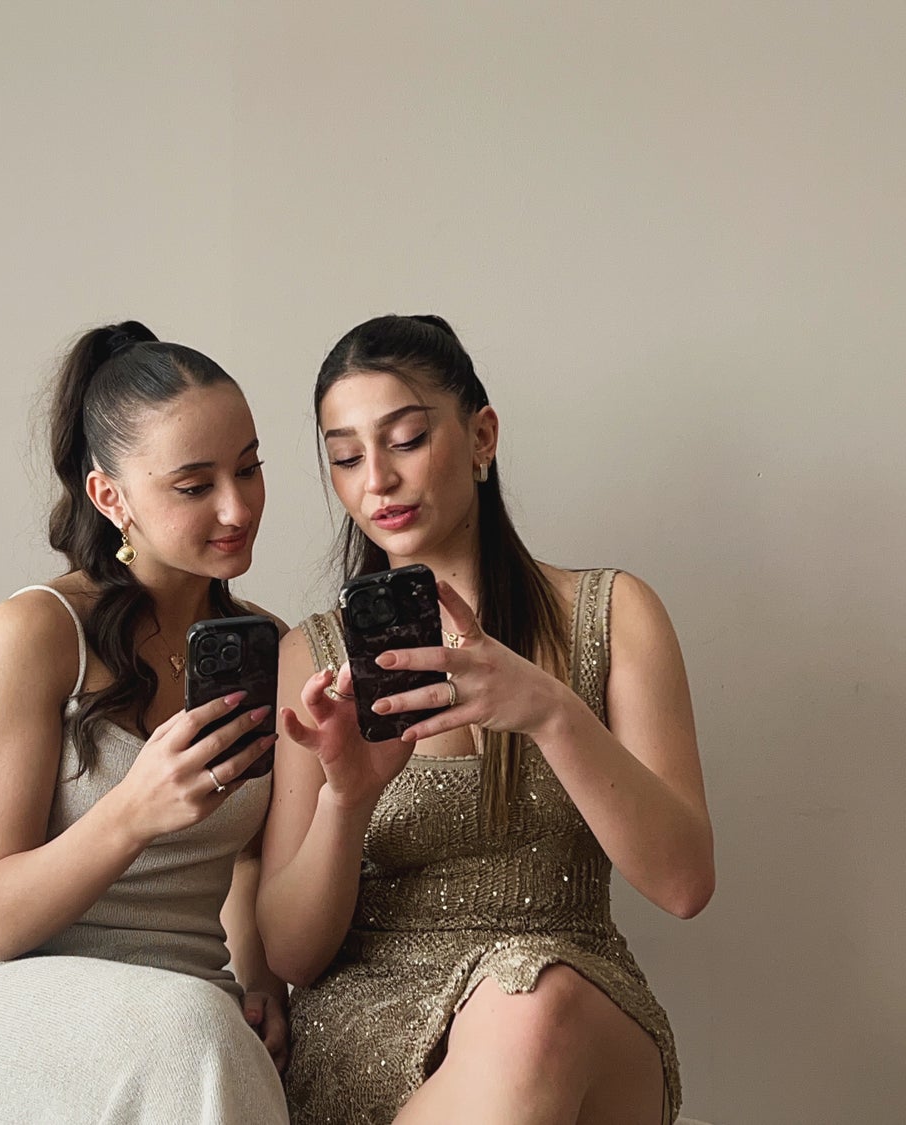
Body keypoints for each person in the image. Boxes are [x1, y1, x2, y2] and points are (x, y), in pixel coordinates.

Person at [259, 314, 714, 1124]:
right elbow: (290, 953)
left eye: (403, 439)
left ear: (481, 436)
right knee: (524, 1018)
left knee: (530, 1001)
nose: (378, 481)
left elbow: (684, 884)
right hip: (372, 1032)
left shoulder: (612, 615)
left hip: (575, 1007)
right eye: (346, 457)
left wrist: (549, 711)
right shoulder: (314, 656)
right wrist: (347, 800)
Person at [0, 322, 290, 1125]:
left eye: (249, 468)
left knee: (213, 1036)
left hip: (182, 1002)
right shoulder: (37, 631)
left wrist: (260, 981)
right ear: (111, 497)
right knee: (196, 1037)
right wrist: (135, 809)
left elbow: (249, 859)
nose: (237, 506)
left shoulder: (269, 647)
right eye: (194, 484)